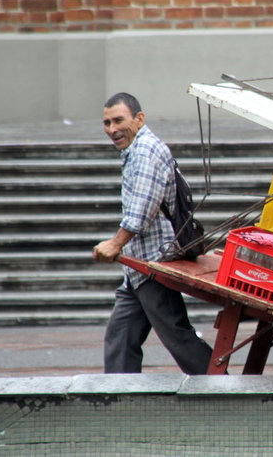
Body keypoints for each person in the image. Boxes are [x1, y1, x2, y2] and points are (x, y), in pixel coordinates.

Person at [92, 92, 212, 375]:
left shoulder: (145, 150)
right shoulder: (136, 150)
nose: (112, 130)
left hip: (154, 263)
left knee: (176, 335)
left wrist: (115, 243)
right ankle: (119, 398)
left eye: (119, 120)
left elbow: (142, 210)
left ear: (139, 118)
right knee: (121, 336)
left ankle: (219, 385)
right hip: (139, 268)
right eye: (107, 123)